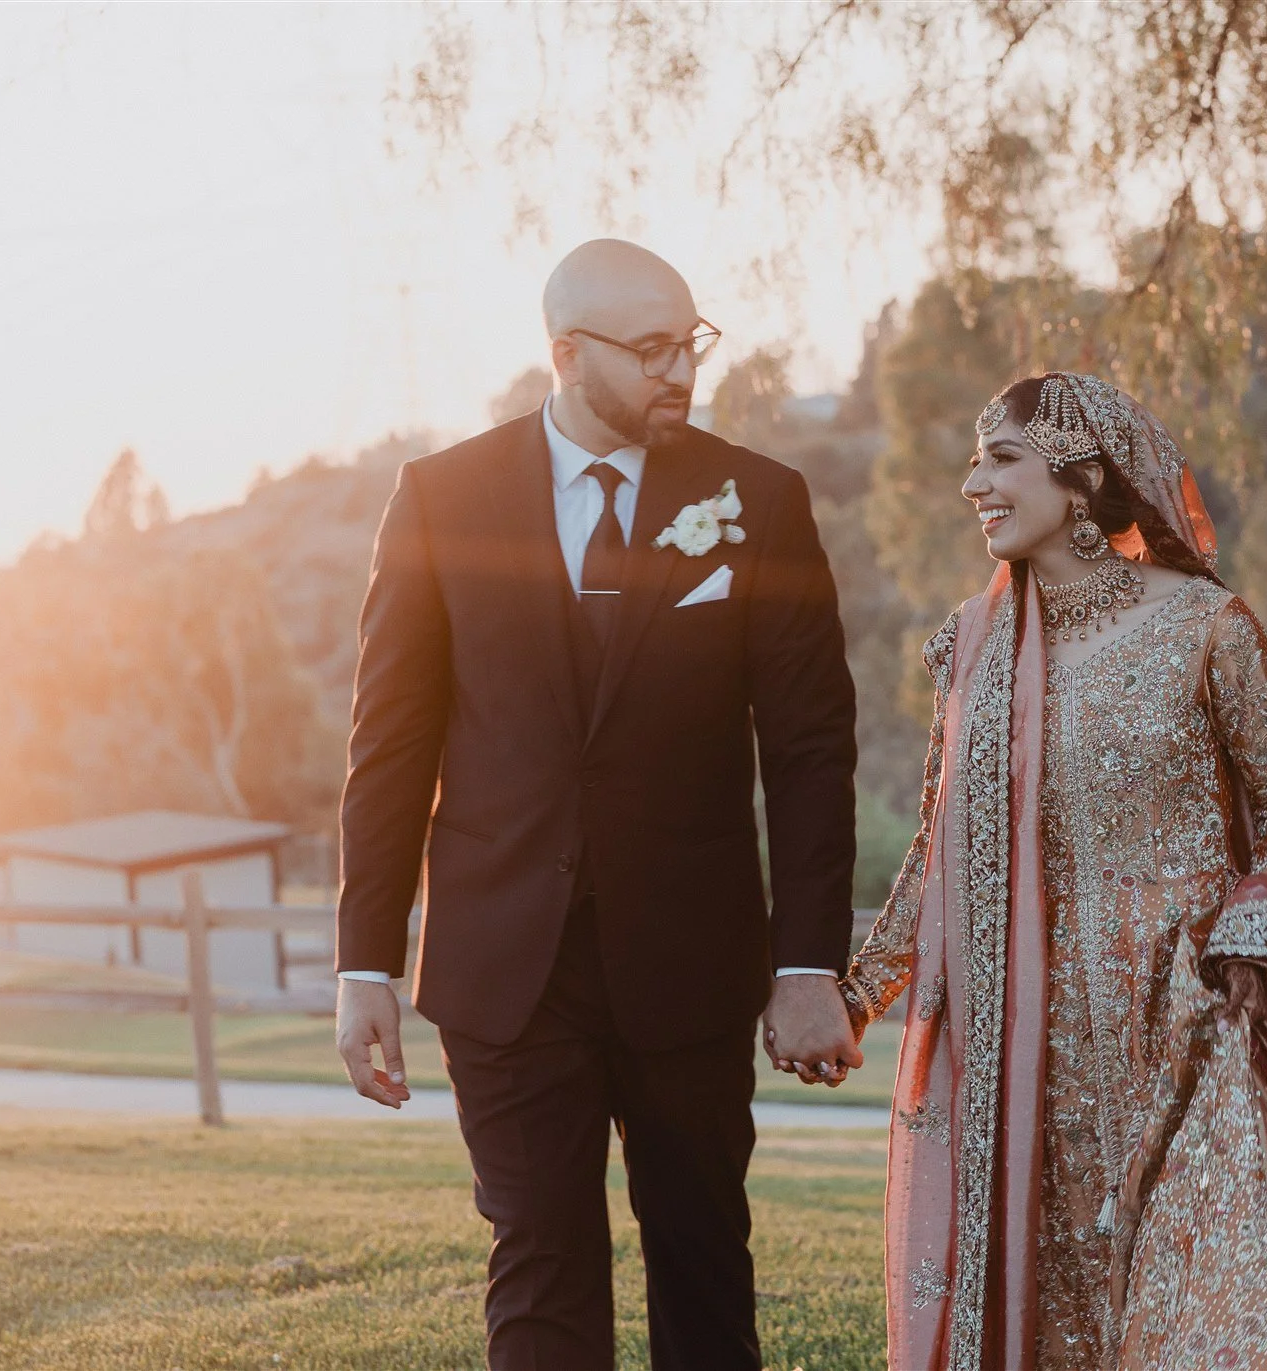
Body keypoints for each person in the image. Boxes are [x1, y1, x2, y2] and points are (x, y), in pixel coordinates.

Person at [841, 372, 1267, 1370]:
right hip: (1031, 1044)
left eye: (999, 458)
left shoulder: (1204, 626)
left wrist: (1254, 928)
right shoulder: (972, 646)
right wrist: (860, 992)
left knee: (1204, 1299)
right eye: (970, 459)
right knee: (1066, 1306)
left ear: (1082, 477)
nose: (972, 485)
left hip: (1192, 1017)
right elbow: (937, 841)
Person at [332, 238, 861, 1371]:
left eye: (692, 343)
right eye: (652, 349)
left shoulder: (756, 501)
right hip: (504, 966)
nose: (682, 371)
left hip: (690, 962)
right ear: (566, 354)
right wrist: (363, 964)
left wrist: (809, 962)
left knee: (702, 1257)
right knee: (538, 1260)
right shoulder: (441, 498)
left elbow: (810, 750)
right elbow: (390, 744)